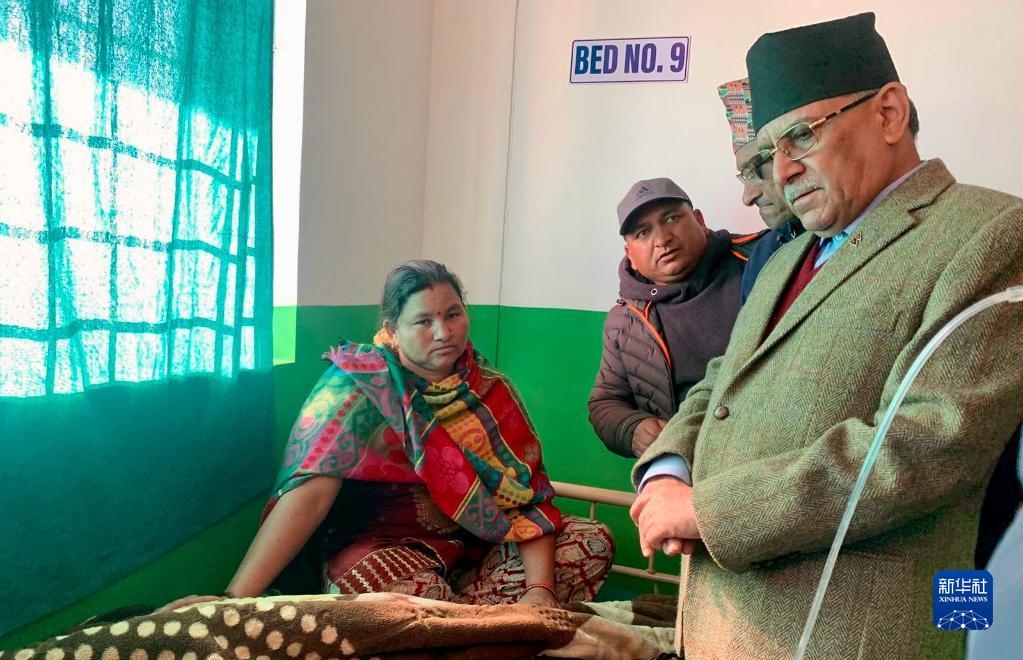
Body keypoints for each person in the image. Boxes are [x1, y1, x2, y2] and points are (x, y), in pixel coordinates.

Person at [630, 13, 1023, 659]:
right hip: (726, 621)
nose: (781, 172)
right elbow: (726, 379)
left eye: (800, 137)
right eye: (766, 155)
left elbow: (930, 442)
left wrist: (711, 512)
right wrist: (667, 470)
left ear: (889, 112)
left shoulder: (988, 235)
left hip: (848, 625)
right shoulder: (785, 256)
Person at [163, 260, 614, 611]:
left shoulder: (491, 391)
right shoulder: (359, 387)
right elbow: (311, 495)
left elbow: (527, 501)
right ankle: (485, 628)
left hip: (476, 552)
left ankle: (473, 627)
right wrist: (233, 598)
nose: (444, 332)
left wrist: (539, 591)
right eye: (423, 321)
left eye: (453, 315)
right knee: (410, 600)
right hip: (383, 551)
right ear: (393, 329)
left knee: (591, 541)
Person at [588, 179, 759, 459]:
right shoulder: (625, 320)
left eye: (671, 218)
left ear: (699, 220)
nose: (662, 239)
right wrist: (633, 428)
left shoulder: (759, 260)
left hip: (768, 452)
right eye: (643, 232)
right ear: (630, 254)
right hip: (684, 466)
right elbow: (606, 401)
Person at [717, 76, 805, 303]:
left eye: (759, 167)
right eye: (745, 176)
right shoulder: (764, 253)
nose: (748, 197)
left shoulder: (848, 240)